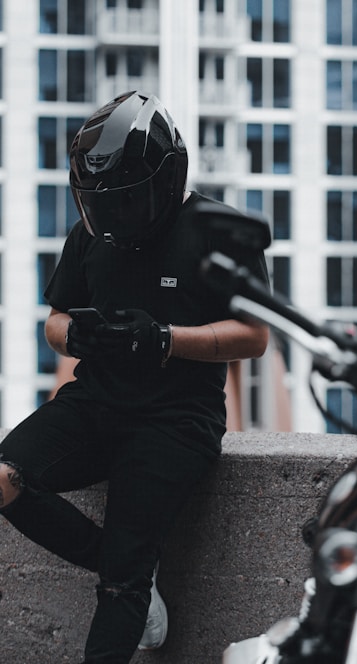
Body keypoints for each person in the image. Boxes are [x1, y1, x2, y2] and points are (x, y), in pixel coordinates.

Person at [0, 91, 269, 663]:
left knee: (120, 591)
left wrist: (166, 339)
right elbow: (55, 321)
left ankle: (127, 572)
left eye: (126, 201)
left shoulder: (219, 231)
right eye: (103, 204)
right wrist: (76, 337)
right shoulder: (91, 237)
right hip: (95, 403)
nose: (114, 216)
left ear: (165, 178)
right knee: (4, 478)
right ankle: (121, 559)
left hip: (177, 421)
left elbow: (255, 336)